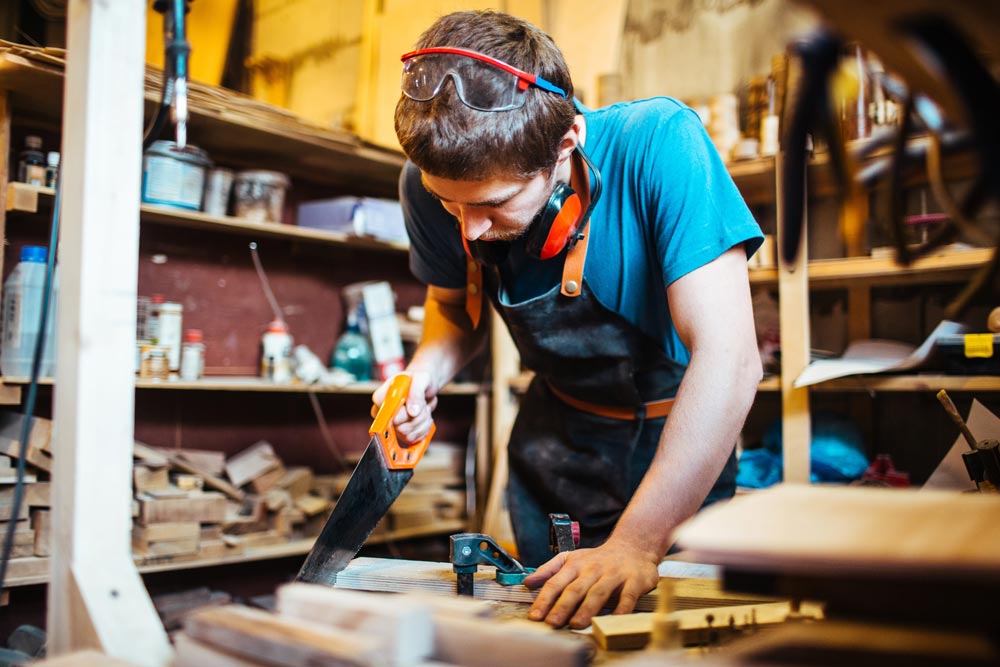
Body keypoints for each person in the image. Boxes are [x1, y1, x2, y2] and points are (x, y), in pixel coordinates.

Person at [373, 9, 763, 629]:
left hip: (677, 443)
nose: (467, 228)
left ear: (565, 145)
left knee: (666, 640)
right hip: (554, 445)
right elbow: (453, 307)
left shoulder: (661, 142)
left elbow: (731, 360)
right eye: (450, 204)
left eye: (492, 204)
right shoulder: (427, 188)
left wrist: (637, 543)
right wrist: (422, 375)